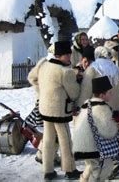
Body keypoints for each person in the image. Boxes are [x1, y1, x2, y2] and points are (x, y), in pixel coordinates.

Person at [36, 41, 82, 180]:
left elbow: (33, 79)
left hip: (45, 108)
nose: (69, 57)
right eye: (66, 55)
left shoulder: (44, 65)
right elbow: (74, 92)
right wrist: (77, 79)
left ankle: (48, 171)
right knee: (66, 140)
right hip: (59, 110)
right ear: (58, 55)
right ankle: (70, 170)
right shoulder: (65, 71)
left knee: (49, 139)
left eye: (69, 54)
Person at [73, 76, 119, 182]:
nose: (111, 94)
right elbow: (107, 130)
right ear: (102, 95)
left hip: (82, 145)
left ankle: (83, 180)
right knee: (103, 167)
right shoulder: (102, 108)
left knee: (91, 165)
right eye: (109, 92)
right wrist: (115, 127)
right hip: (93, 146)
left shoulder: (87, 104)